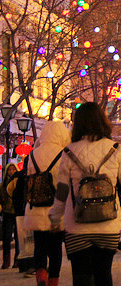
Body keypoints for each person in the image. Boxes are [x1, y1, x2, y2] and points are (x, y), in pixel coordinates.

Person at [48, 102, 121, 286]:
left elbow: (62, 192)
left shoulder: (69, 152)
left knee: (81, 277)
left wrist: (55, 218)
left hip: (77, 226)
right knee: (103, 274)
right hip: (108, 226)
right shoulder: (117, 150)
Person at [24, 121, 71, 286]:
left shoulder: (32, 155)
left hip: (36, 207)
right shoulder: (64, 154)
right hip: (56, 208)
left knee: (40, 246)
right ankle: (53, 281)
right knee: (56, 248)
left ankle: (41, 276)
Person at [1, 162, 19, 269]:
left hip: (17, 212)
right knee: (6, 237)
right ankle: (6, 261)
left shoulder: (19, 183)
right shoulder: (3, 185)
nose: (11, 172)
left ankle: (17, 259)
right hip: (7, 212)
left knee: (18, 237)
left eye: (13, 170)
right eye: (9, 170)